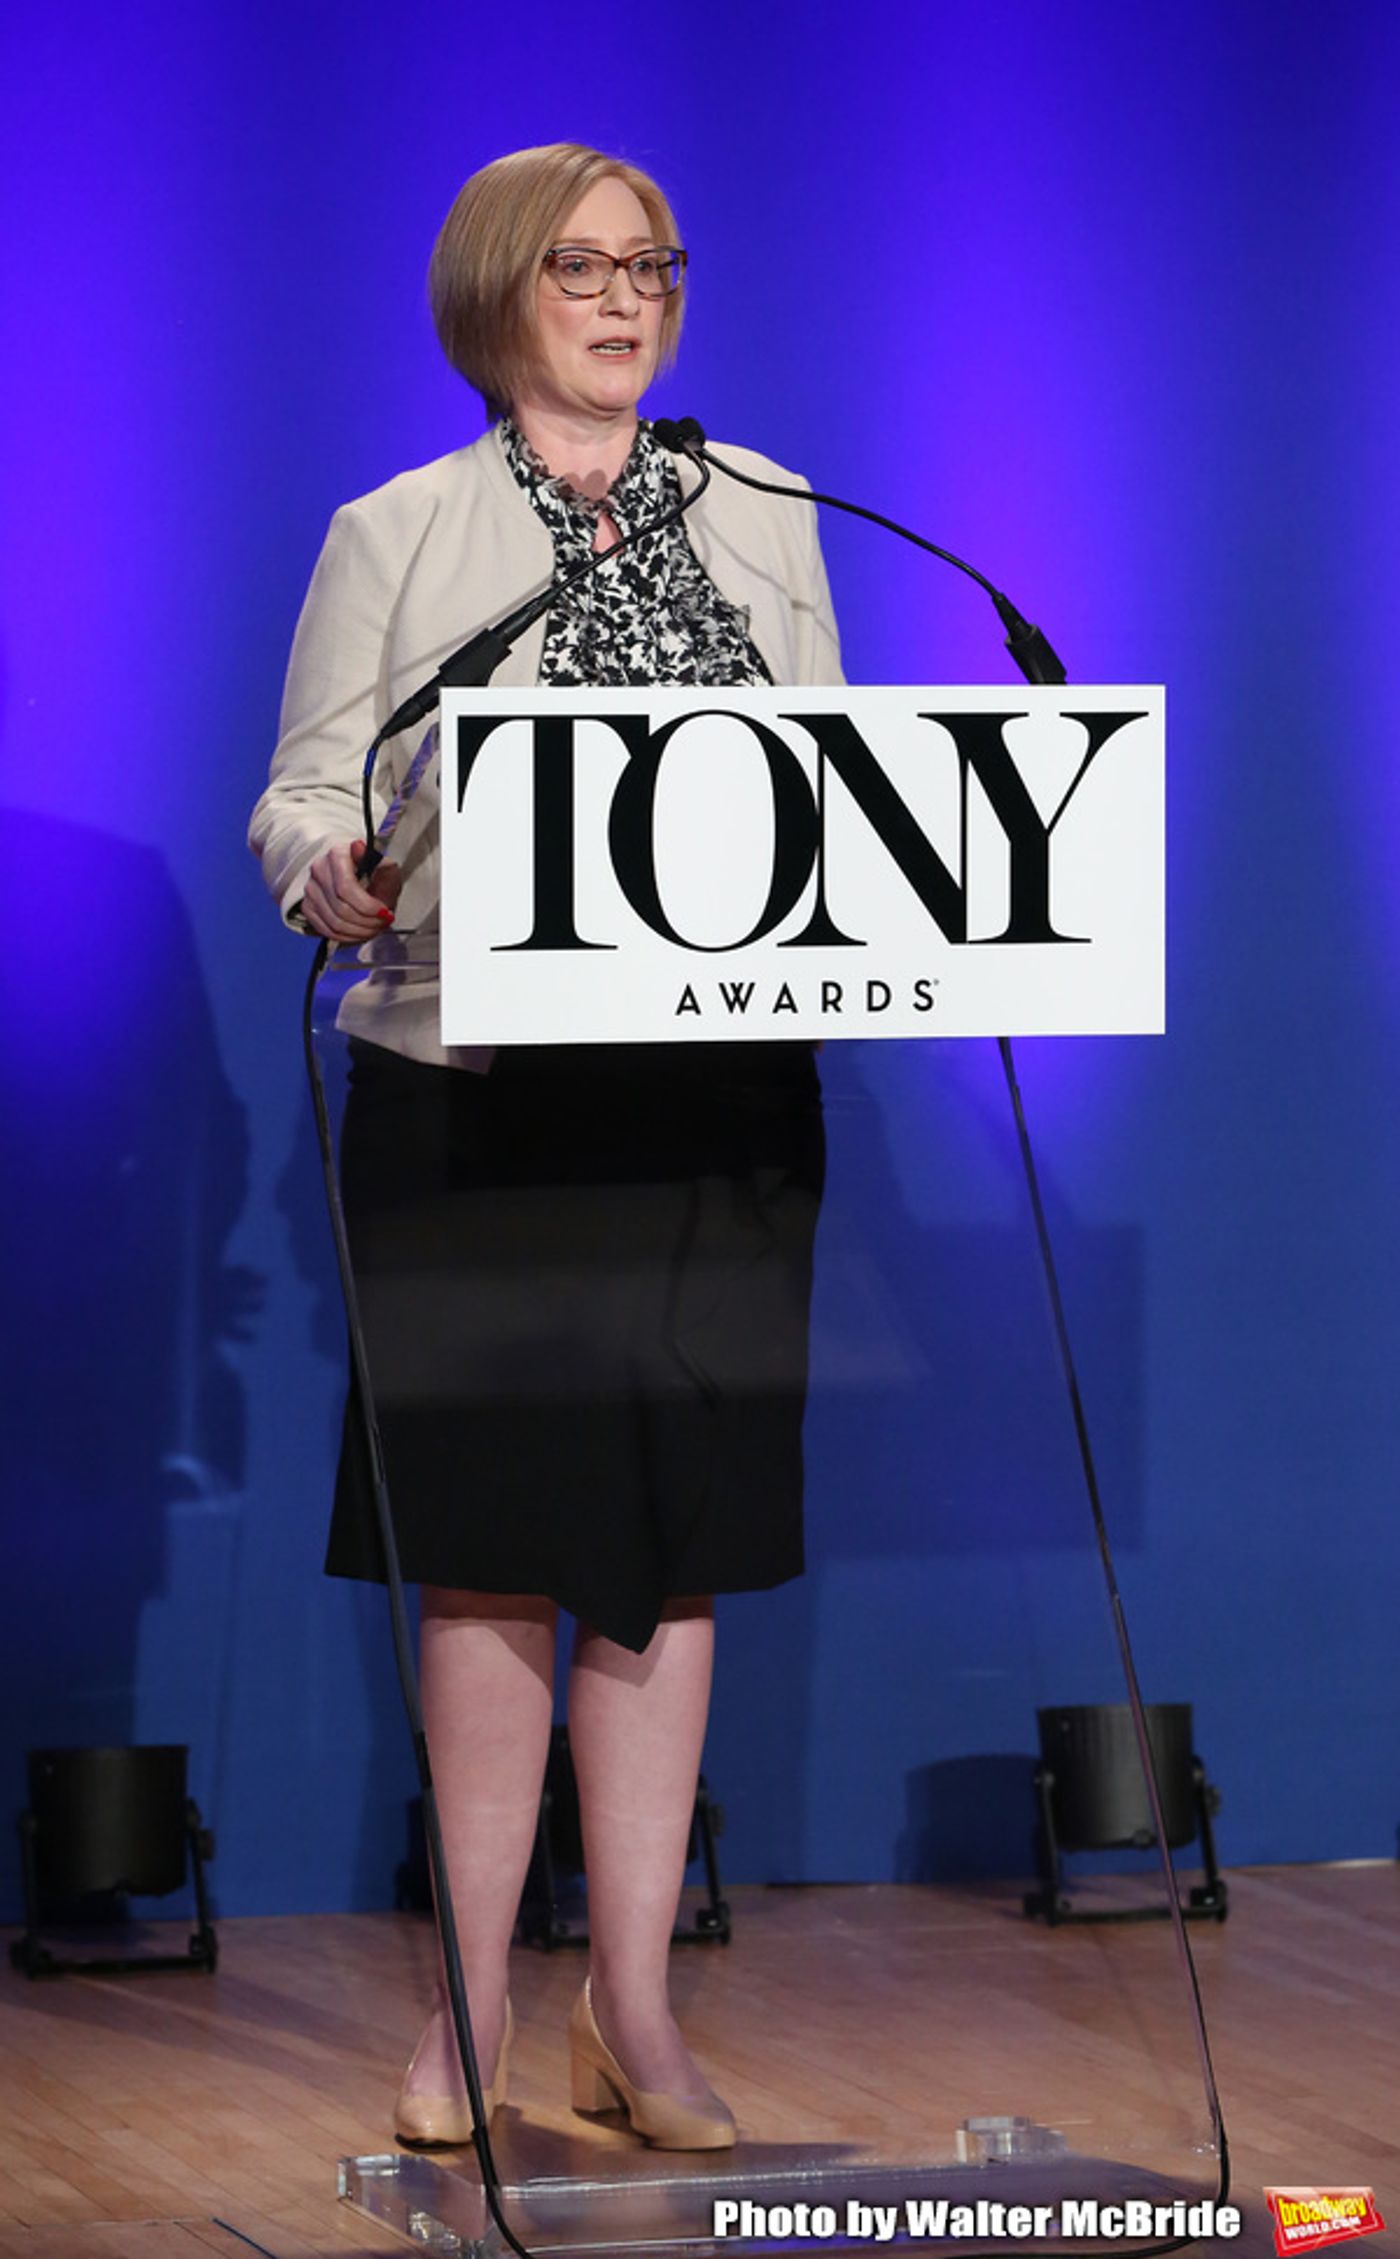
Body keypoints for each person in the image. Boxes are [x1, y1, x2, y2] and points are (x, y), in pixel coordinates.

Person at [249, 142, 842, 2153]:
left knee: (670, 1568)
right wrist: (327, 869)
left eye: (652, 264)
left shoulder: (762, 508)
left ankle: (639, 2017)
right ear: (498, 295)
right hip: (475, 1098)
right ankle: (468, 2014)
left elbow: (832, 778)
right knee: (495, 1564)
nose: (623, 297)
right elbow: (302, 793)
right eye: (581, 267)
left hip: (717, 1102)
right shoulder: (396, 529)